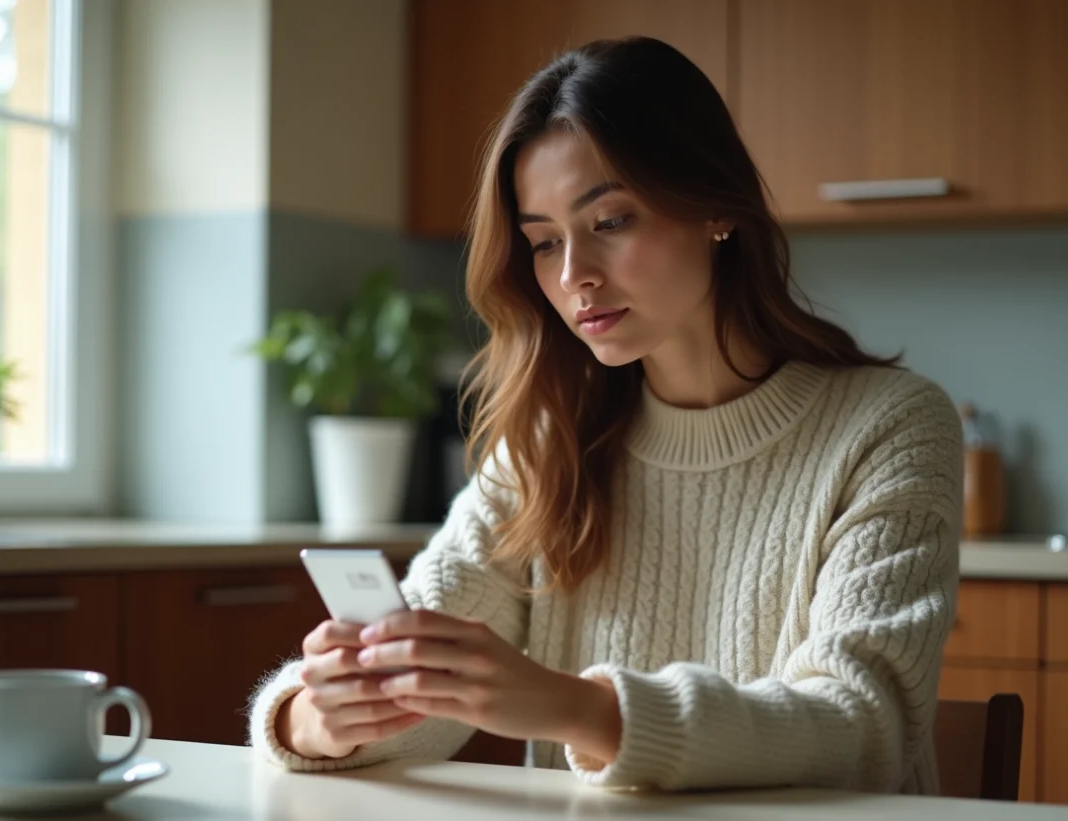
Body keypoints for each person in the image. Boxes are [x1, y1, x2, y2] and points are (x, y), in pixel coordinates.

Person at [248, 36, 963, 794]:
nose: (573, 276)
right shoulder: (547, 440)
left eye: (611, 220)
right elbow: (426, 674)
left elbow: (862, 725)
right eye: (543, 241)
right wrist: (318, 716)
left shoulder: (890, 424)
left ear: (716, 205)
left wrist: (578, 708)